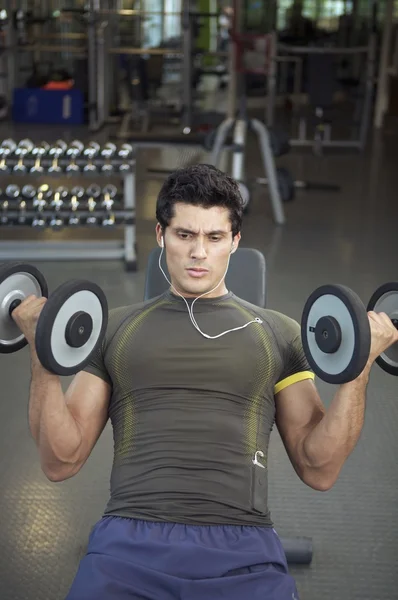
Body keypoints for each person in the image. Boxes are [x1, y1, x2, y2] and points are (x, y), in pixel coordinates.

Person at [13, 164, 398, 599]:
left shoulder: (279, 332)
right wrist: (42, 352)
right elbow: (60, 460)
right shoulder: (113, 329)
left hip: (244, 550)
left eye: (214, 238)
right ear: (160, 235)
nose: (199, 252)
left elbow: (319, 468)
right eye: (184, 235)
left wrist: (360, 367)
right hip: (127, 547)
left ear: (234, 242)